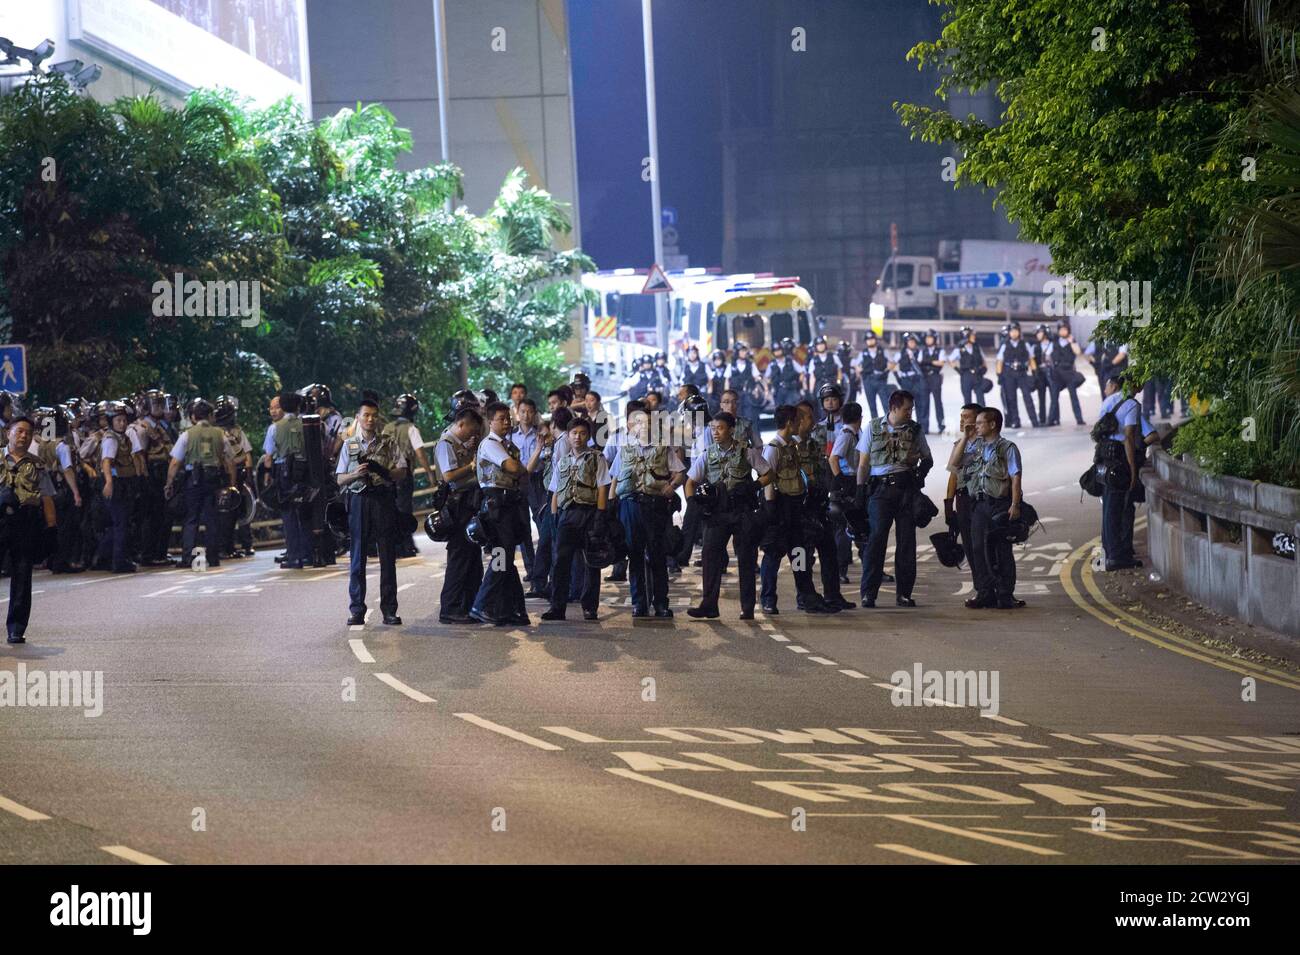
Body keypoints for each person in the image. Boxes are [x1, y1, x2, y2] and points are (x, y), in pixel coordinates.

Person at [686, 411, 772, 619]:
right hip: (717, 513)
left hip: (741, 511)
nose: (715, 432)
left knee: (746, 559)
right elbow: (690, 482)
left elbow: (769, 473)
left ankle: (748, 607)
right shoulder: (708, 453)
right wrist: (694, 504)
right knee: (710, 557)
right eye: (713, 428)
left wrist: (753, 486)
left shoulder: (746, 452)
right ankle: (709, 605)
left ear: (732, 429)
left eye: (720, 428)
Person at [855, 389, 933, 608]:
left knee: (906, 543)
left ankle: (904, 594)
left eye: (911, 409)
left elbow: (928, 458)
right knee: (876, 540)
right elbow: (863, 463)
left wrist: (921, 474)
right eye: (907, 409)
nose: (910, 413)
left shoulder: (915, 429)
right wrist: (860, 492)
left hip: (907, 490)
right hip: (880, 491)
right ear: (893, 408)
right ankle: (868, 593)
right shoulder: (873, 427)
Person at [609, 405, 685, 617]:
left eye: (648, 423)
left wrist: (672, 487)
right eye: (639, 423)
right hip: (630, 505)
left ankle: (661, 603)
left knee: (657, 554)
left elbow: (679, 472)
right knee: (634, 554)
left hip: (655, 505)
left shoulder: (662, 448)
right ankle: (639, 603)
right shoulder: (625, 448)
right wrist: (610, 506)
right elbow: (615, 477)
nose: (644, 427)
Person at [337, 398, 407, 626]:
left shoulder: (388, 442)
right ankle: (356, 609)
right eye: (366, 415)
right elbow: (339, 479)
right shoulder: (350, 445)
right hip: (359, 501)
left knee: (387, 556)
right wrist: (355, 474)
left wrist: (385, 472)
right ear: (358, 418)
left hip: (383, 500)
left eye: (374, 415)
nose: (370, 419)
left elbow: (402, 470)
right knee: (357, 556)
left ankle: (389, 610)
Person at [760, 405, 832, 615]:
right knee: (773, 555)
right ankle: (768, 599)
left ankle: (807, 597)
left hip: (795, 509)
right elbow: (768, 481)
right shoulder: (773, 448)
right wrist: (771, 511)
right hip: (779, 509)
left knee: (799, 554)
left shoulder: (791, 446)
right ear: (789, 423)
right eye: (798, 420)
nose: (801, 423)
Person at [541, 416, 610, 622]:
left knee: (591, 562)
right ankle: (557, 607)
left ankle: (589, 607)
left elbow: (602, 487)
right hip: (566, 516)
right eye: (574, 433)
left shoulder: (597, 458)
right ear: (568, 436)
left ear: (588, 436)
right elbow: (554, 492)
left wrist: (600, 515)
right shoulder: (563, 461)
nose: (577, 437)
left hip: (589, 514)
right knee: (560, 562)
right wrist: (554, 517)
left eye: (582, 433)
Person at [470, 402, 531, 626]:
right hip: (496, 506)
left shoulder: (507, 444)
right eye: (502, 419)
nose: (507, 422)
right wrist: (519, 468)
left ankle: (515, 610)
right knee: (501, 556)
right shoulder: (490, 444)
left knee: (506, 558)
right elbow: (515, 468)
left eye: (508, 418)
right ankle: (482, 604)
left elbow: (523, 473)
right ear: (490, 421)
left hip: (509, 504)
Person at [960, 407, 1025, 609]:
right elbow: (954, 463)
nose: (976, 426)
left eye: (980, 423)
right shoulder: (974, 447)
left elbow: (1016, 477)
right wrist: (965, 437)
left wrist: (1015, 504)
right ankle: (985, 592)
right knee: (978, 548)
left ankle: (1005, 593)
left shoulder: (1008, 448)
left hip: (999, 504)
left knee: (1001, 549)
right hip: (979, 504)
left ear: (992, 424)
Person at [2, 416, 57, 643]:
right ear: (9, 433)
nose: (23, 436)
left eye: (28, 432)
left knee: (23, 576)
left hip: (25, 524)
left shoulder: (36, 464)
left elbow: (46, 497)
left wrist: (52, 527)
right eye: (19, 431)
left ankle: (16, 628)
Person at [166, 398, 236, 571]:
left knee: (191, 519)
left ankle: (188, 556)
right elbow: (231, 461)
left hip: (194, 480)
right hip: (214, 479)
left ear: (194, 417)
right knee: (212, 519)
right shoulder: (220, 434)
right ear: (211, 416)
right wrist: (232, 485)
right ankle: (213, 557)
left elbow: (175, 462)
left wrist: (169, 483)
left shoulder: (187, 434)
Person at [796, 400, 853, 611]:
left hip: (819, 505)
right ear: (799, 420)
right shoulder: (785, 447)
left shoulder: (812, 444)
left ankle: (832, 594)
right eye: (809, 416)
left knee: (829, 551)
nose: (814, 420)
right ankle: (803, 595)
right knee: (802, 555)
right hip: (800, 509)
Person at [434, 406, 484, 624]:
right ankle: (451, 608)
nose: (474, 434)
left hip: (468, 503)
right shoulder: (446, 443)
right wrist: (472, 466)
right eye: (473, 429)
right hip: (456, 506)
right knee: (459, 557)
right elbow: (448, 476)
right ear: (462, 424)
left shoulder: (460, 444)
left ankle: (469, 604)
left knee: (472, 558)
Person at [1096, 376, 1143, 571]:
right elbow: (1129, 436)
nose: (1141, 387)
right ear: (1132, 384)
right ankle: (1116, 556)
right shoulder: (1132, 404)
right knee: (1117, 507)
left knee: (1108, 506)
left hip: (1103, 457)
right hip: (1119, 459)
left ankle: (1108, 551)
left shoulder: (1108, 401)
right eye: (1140, 383)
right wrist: (1132, 468)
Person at [384, 393, 435, 559]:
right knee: (405, 510)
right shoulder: (411, 429)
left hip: (386, 475)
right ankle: (406, 545)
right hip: (403, 475)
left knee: (391, 509)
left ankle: (395, 544)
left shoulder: (387, 428)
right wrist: (429, 473)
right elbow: (420, 453)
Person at [263, 391, 310, 569]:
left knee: (288, 515)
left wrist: (268, 476)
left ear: (282, 407)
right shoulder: (306, 424)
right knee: (304, 513)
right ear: (298, 406)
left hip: (284, 473)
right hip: (304, 472)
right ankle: (308, 554)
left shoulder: (275, 428)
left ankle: (294, 556)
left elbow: (268, 457)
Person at [944, 404, 985, 596]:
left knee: (982, 546)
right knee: (969, 547)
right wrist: (948, 505)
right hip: (963, 501)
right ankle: (980, 588)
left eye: (966, 417)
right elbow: (953, 473)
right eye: (961, 417)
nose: (961, 421)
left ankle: (994, 587)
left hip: (981, 500)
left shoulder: (987, 444)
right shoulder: (959, 445)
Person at [97, 402, 143, 573]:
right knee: (120, 523)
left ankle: (107, 557)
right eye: (118, 420)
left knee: (121, 523)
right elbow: (106, 461)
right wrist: (109, 482)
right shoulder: (111, 439)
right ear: (111, 422)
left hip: (125, 482)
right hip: (116, 484)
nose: (122, 423)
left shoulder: (123, 438)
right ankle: (118, 561)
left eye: (124, 420)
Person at [996, 322, 1040, 428]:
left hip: (1022, 373)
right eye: (1012, 331)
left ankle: (1034, 421)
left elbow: (1031, 359)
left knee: (1027, 397)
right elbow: (1000, 361)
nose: (1014, 333)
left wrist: (1035, 373)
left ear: (1019, 332)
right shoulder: (1005, 345)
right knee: (1011, 399)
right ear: (1009, 333)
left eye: (1016, 331)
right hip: (1008, 374)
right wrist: (999, 375)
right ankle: (1016, 421)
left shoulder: (1025, 344)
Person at [1048, 322, 1086, 426]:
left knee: (1074, 397)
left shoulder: (1072, 341)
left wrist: (1072, 341)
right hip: (1057, 373)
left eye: (1065, 329)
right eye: (1061, 329)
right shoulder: (1054, 342)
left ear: (1068, 330)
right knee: (1054, 397)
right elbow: (1047, 355)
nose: (1063, 331)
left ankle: (1079, 419)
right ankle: (1050, 420)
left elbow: (1078, 352)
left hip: (1069, 372)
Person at [857, 332, 896, 418]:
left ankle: (889, 426)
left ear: (875, 340)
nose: (870, 341)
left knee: (886, 404)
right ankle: (876, 428)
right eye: (868, 340)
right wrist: (859, 373)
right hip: (868, 381)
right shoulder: (862, 353)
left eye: (872, 339)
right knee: (872, 406)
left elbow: (892, 363)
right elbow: (857, 366)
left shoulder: (883, 351)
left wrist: (887, 370)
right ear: (866, 342)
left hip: (881, 380)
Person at [918, 329, 946, 434]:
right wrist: (933, 362)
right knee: (924, 403)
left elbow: (941, 363)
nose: (928, 340)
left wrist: (928, 362)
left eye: (930, 338)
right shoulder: (922, 350)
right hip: (924, 378)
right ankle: (925, 427)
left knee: (938, 403)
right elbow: (919, 362)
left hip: (935, 377)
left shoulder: (940, 350)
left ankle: (941, 426)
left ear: (934, 339)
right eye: (927, 338)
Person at [953, 326, 990, 405]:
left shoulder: (977, 347)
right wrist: (957, 369)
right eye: (972, 335)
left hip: (977, 374)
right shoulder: (959, 348)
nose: (974, 337)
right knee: (967, 400)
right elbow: (950, 360)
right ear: (966, 336)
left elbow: (983, 359)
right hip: (966, 375)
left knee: (981, 399)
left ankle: (982, 416)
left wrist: (984, 368)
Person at [728, 344, 763, 424]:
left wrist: (757, 388)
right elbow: (727, 380)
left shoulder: (751, 365)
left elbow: (757, 378)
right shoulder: (731, 366)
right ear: (737, 352)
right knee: (737, 417)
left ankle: (751, 435)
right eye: (742, 351)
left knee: (750, 416)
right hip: (736, 395)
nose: (744, 353)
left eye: (745, 351)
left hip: (748, 394)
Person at [766, 338, 804, 409]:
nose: (778, 352)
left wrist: (799, 384)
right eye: (775, 351)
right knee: (780, 412)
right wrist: (769, 388)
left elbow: (802, 372)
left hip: (791, 390)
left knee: (790, 410)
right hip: (778, 392)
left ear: (782, 350)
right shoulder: (771, 364)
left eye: (779, 350)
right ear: (773, 352)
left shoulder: (790, 361)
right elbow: (766, 378)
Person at [805, 335, 840, 400]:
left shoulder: (833, 357)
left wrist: (839, 383)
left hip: (832, 384)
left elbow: (839, 371)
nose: (820, 346)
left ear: (825, 345)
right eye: (818, 345)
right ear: (816, 347)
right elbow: (812, 377)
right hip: (819, 386)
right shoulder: (813, 361)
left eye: (822, 344)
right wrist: (811, 391)